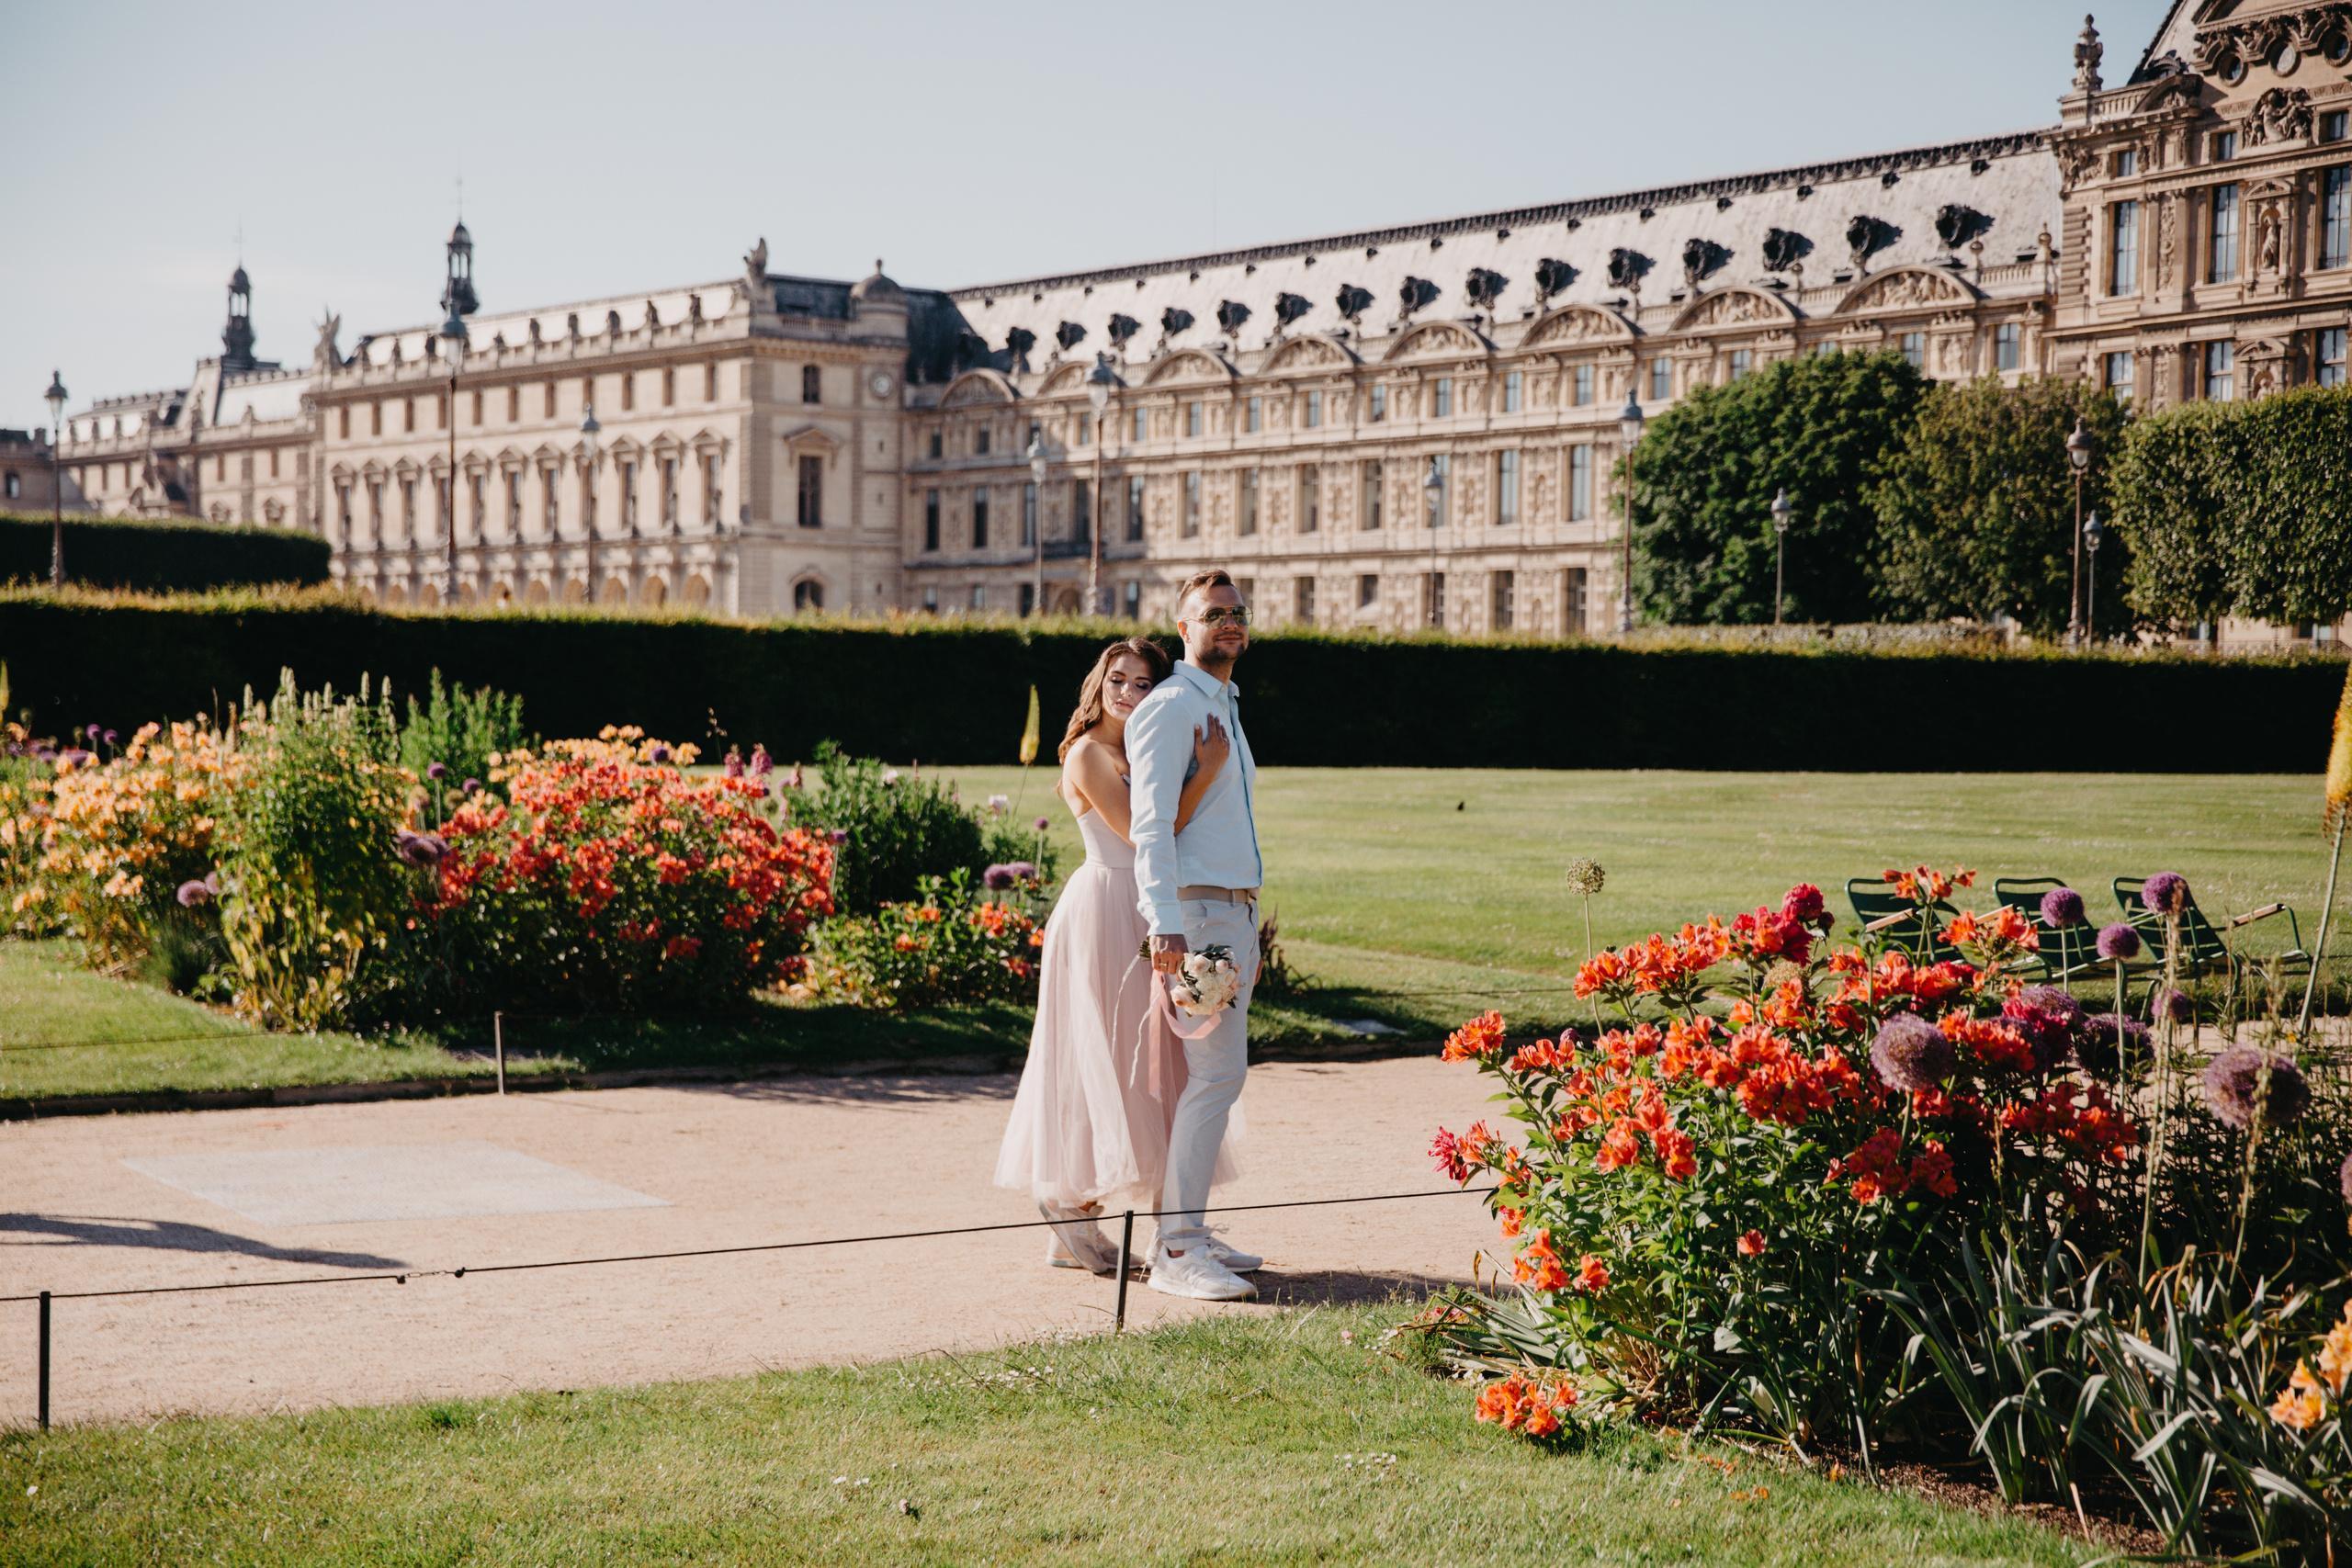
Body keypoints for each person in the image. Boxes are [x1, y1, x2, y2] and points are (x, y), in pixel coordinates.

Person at [993, 635, 1238, 1274]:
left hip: (1154, 905)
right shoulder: (1086, 753)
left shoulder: (1144, 746)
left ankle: (1176, 1226)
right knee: (1101, 1058)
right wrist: (1205, 773)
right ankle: (1073, 1209)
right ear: (1098, 686)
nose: (1128, 693)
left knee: (1165, 1064)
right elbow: (1140, 833)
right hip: (1105, 910)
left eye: (1143, 683)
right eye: (1118, 680)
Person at [1128, 568, 1265, 1302]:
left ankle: (1185, 1233)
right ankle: (1177, 1249)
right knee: (1216, 1076)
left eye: (1236, 611)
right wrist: (1166, 925)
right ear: (1184, 628)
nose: (1229, 621)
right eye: (1214, 613)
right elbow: (1150, 827)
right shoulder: (1171, 707)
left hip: (1229, 914)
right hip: (1198, 917)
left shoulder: (1224, 705)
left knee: (1216, 1076)